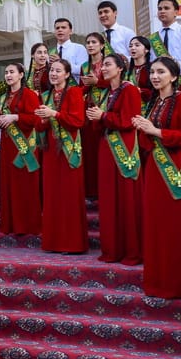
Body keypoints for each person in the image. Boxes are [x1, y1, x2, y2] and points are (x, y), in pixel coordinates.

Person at [132, 57, 181, 299]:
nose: (154, 76)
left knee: (178, 226)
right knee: (156, 224)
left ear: (173, 76)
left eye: (160, 72)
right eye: (152, 72)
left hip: (178, 169)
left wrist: (154, 131)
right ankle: (158, 281)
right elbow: (146, 143)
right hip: (154, 169)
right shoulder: (153, 103)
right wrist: (142, 130)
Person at [87, 54, 142, 264]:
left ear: (120, 68)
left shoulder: (129, 90)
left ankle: (131, 250)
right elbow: (101, 121)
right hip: (106, 147)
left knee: (126, 198)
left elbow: (129, 120)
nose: (104, 69)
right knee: (109, 198)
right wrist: (95, 116)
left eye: (108, 65)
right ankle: (113, 248)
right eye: (103, 66)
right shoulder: (105, 93)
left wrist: (102, 116)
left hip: (123, 148)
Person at [36, 59, 87, 254]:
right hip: (51, 151)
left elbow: (77, 120)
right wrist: (42, 119)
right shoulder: (47, 94)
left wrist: (54, 114)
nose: (54, 74)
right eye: (52, 71)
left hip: (69, 148)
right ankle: (53, 242)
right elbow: (40, 126)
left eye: (58, 71)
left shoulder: (74, 92)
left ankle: (72, 243)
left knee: (69, 195)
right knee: (52, 195)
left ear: (67, 74)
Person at [0, 63, 41, 236]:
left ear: (21, 75)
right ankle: (11, 224)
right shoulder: (4, 97)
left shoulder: (29, 95)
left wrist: (16, 117)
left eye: (12, 72)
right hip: (7, 146)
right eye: (6, 72)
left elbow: (36, 118)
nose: (8, 75)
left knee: (25, 185)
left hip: (24, 146)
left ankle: (28, 225)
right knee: (9, 185)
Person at [80, 32, 110, 200]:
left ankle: (104, 188)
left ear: (102, 45)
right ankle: (91, 190)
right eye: (88, 42)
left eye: (94, 42)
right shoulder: (85, 66)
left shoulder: (109, 63)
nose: (90, 45)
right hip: (89, 109)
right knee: (90, 151)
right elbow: (82, 87)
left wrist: (97, 82)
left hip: (106, 107)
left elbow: (116, 83)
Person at [149, 0, 181, 73]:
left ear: (176, 12)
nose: (162, 11)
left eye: (166, 8)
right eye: (160, 9)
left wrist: (174, 65)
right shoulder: (153, 38)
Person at [52, 17, 88, 81]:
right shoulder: (50, 51)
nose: (60, 30)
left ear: (71, 31)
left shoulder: (79, 48)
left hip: (74, 87)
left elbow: (83, 70)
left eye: (63, 27)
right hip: (56, 88)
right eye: (57, 28)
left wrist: (62, 63)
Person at [126, 36, 154, 103]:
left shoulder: (152, 68)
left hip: (147, 107)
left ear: (146, 50)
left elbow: (156, 91)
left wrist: (136, 89)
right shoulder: (127, 70)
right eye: (130, 46)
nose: (132, 48)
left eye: (137, 45)